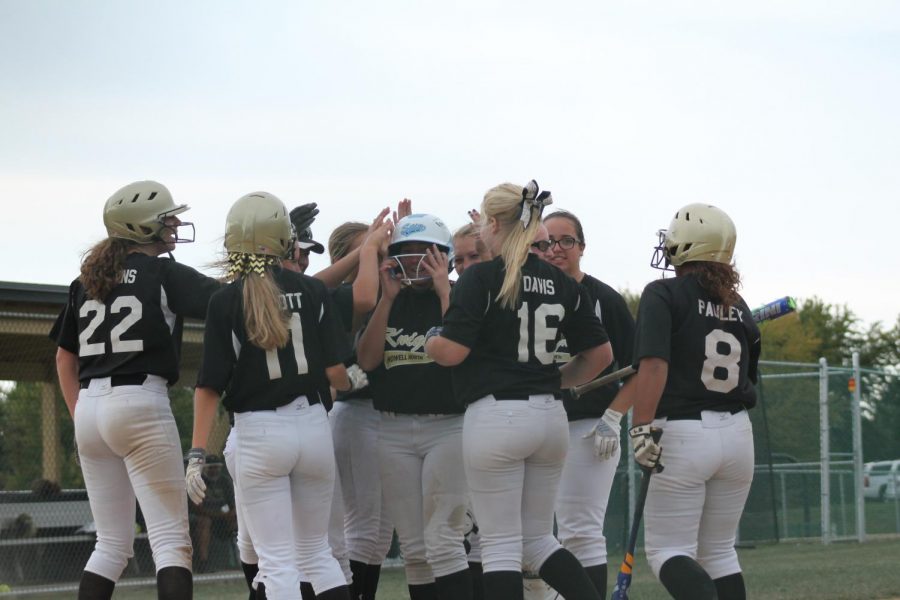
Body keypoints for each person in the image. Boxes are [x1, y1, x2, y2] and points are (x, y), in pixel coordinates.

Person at [425, 181, 613, 600]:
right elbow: (601, 355)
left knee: (500, 546)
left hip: (496, 418)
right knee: (539, 539)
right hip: (549, 418)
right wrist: (551, 379)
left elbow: (452, 352)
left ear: (492, 223)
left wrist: (432, 339)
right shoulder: (562, 282)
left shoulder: (481, 278)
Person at [52, 180, 220, 599]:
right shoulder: (161, 273)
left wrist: (81, 417)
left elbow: (63, 359)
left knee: (110, 545)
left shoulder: (85, 280)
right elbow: (228, 301)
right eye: (167, 218)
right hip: (140, 400)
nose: (176, 224)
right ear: (142, 227)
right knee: (170, 541)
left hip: (90, 408)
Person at [187, 191, 353, 600]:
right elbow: (336, 372)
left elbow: (209, 386)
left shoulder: (226, 300)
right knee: (318, 555)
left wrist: (195, 452)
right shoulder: (312, 292)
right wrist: (352, 384)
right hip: (313, 425)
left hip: (260, 432)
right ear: (284, 238)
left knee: (276, 561)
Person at [627, 203, 760, 600]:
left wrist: (640, 427)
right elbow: (749, 378)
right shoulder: (738, 305)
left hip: (684, 434)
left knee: (668, 550)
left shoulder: (662, 293)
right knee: (719, 553)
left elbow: (652, 366)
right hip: (737, 435)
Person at [357, 213, 473, 600]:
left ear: (445, 256)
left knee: (444, 538)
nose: (415, 263)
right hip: (393, 428)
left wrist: (444, 293)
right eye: (405, 254)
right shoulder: (389, 297)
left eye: (426, 254)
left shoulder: (459, 296)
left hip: (449, 426)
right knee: (414, 547)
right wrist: (387, 300)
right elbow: (368, 359)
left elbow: (463, 354)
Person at [542, 209, 636, 598]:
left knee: (579, 529)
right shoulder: (529, 292)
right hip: (535, 422)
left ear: (582, 247)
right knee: (533, 534)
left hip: (586, 427)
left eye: (567, 241)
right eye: (547, 242)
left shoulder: (605, 300)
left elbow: (639, 368)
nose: (557, 250)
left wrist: (613, 417)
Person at [326, 216, 397, 600]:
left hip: (384, 416)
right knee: (362, 528)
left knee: (379, 535)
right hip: (356, 415)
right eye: (368, 248)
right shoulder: (342, 298)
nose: (379, 254)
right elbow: (349, 369)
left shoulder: (379, 289)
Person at [188, 455, 237, 573]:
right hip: (204, 517)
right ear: (204, 468)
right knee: (205, 521)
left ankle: (239, 559)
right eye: (211, 468)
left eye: (217, 467)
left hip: (224, 517)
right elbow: (197, 509)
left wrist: (231, 513)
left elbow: (233, 503)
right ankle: (203, 563)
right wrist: (218, 514)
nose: (214, 470)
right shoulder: (199, 481)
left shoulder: (225, 481)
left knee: (237, 518)